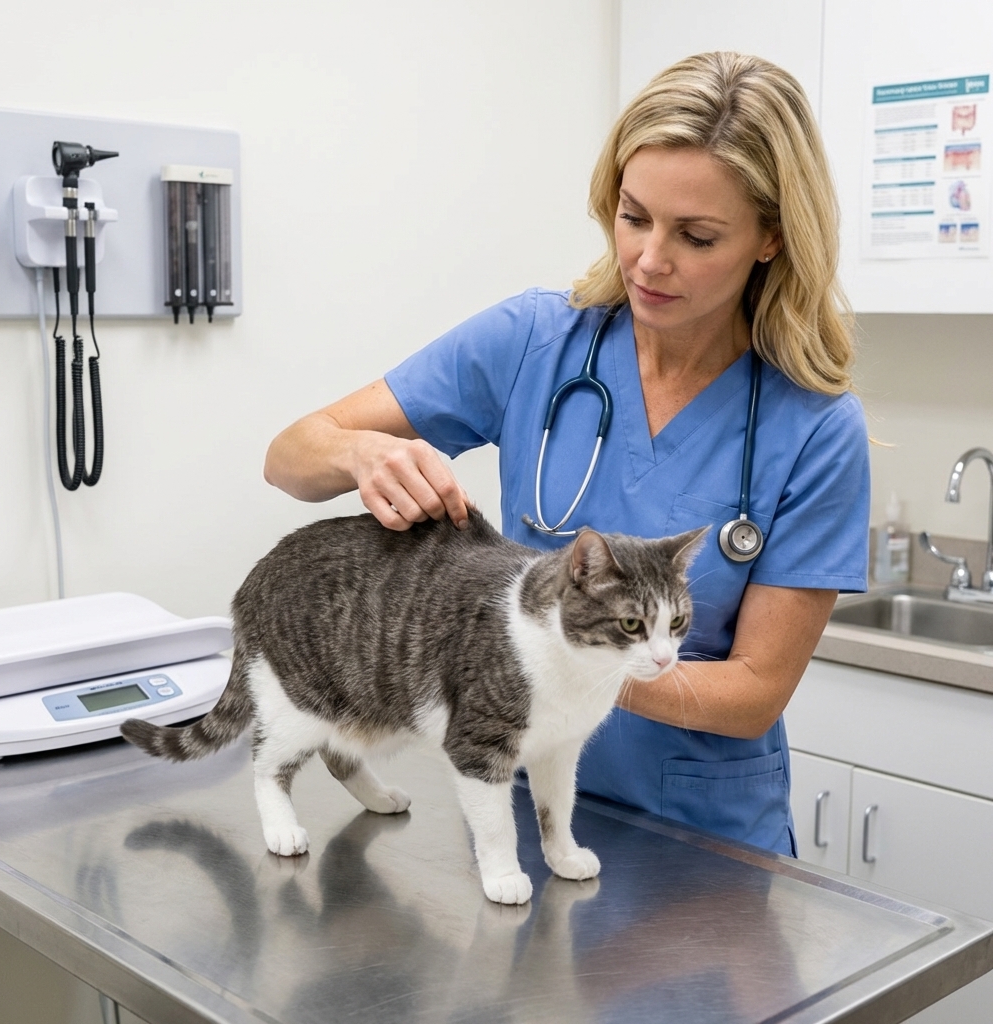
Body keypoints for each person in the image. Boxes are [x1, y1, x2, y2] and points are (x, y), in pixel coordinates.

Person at [264, 51, 870, 857]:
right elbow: (290, 457)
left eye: (695, 235)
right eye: (633, 216)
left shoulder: (816, 429)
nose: (650, 259)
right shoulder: (535, 344)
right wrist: (361, 454)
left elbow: (753, 694)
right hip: (528, 819)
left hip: (704, 850)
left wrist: (550, 665)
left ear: (769, 237)